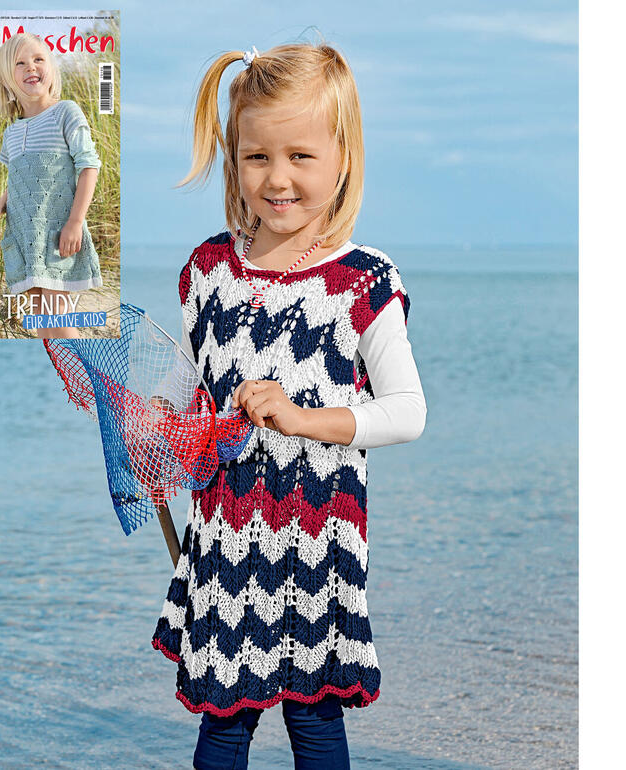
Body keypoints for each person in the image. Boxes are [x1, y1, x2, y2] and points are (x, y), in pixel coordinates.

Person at [151, 43, 427, 770]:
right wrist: (153, 430)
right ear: (233, 161)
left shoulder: (360, 282)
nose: (277, 179)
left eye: (301, 156)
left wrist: (302, 418)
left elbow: (406, 413)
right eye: (255, 157)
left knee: (313, 719)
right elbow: (178, 395)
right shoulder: (210, 273)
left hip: (317, 546)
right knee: (223, 725)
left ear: (342, 159)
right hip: (225, 543)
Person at [0, 32, 103, 339]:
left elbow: (89, 166)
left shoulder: (65, 112)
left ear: (51, 68)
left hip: (58, 233)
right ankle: (58, 382)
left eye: (38, 59)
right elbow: (19, 182)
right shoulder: (12, 133)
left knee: (58, 316)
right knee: (40, 321)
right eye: (20, 63)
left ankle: (94, 384)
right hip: (25, 237)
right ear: (7, 80)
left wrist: (75, 222)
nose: (31, 67)